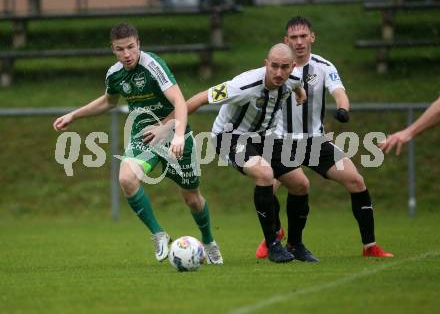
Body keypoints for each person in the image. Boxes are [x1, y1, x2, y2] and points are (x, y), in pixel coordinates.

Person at [53, 23, 223, 265]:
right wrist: (74, 115)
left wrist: (176, 134)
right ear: (112, 49)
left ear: (139, 44)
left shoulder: (153, 65)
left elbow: (179, 101)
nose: (127, 54)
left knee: (192, 197)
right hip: (144, 137)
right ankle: (158, 233)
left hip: (175, 134)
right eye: (120, 49)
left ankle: (208, 241)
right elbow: (108, 102)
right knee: (126, 178)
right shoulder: (114, 74)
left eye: (131, 47)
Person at [255, 16, 394, 261]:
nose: (299, 42)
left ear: (312, 37)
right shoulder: (277, 69)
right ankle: (275, 236)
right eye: (293, 38)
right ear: (285, 41)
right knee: (267, 186)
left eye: (303, 36)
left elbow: (339, 92)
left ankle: (370, 246)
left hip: (315, 142)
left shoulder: (323, 67)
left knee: (356, 181)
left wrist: (343, 109)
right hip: (281, 142)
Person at [164, 43, 307, 263]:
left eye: (285, 67)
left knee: (300, 184)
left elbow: (296, 83)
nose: (279, 73)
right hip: (230, 137)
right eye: (274, 66)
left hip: (265, 137)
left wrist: (299, 92)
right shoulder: (243, 85)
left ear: (292, 67)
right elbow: (199, 98)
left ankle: (295, 246)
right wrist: (165, 126)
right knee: (265, 174)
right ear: (266, 64)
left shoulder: (294, 77)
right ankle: (273, 245)